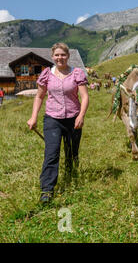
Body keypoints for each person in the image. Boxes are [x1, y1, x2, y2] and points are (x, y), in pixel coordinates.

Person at [27, 42, 89, 204]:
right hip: (52, 118)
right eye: (57, 55)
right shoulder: (47, 74)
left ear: (68, 56)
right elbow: (39, 96)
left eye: (63, 55)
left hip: (73, 118)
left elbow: (85, 97)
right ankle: (47, 190)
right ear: (52, 56)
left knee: (71, 151)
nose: (60, 58)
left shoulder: (77, 73)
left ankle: (71, 173)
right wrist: (33, 117)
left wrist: (81, 116)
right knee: (51, 153)